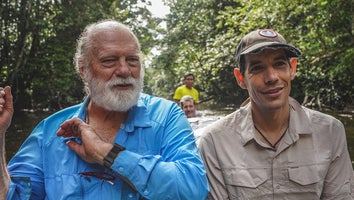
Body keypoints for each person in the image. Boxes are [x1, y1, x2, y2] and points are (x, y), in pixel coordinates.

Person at [0, 19, 209, 199]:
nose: (125, 70)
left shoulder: (166, 116)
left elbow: (193, 190)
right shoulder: (50, 131)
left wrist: (106, 154)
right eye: (109, 61)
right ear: (83, 70)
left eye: (132, 60)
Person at [198, 29, 354, 199]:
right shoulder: (214, 141)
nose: (272, 77)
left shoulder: (330, 132)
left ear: (292, 68)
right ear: (240, 78)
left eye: (279, 64)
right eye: (257, 68)